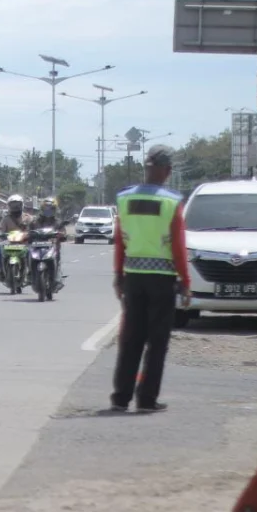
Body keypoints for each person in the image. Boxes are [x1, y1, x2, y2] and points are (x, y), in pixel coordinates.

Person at [109, 144, 190, 414]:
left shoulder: (124, 198)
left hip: (133, 278)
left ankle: (120, 398)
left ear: (147, 168)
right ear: (167, 171)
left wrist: (118, 275)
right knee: (157, 342)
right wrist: (186, 282)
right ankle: (146, 400)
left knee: (130, 339)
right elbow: (178, 247)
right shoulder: (172, 201)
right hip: (162, 280)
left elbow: (119, 242)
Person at [0, 194, 33, 281]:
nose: (15, 207)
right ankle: (1, 270)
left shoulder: (28, 218)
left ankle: (31, 271)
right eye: (13, 205)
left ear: (21, 205)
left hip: (24, 243)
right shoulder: (6, 218)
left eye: (17, 205)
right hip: (10, 243)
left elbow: (34, 227)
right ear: (9, 206)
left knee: (32, 252)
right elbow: (1, 229)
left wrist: (31, 234)